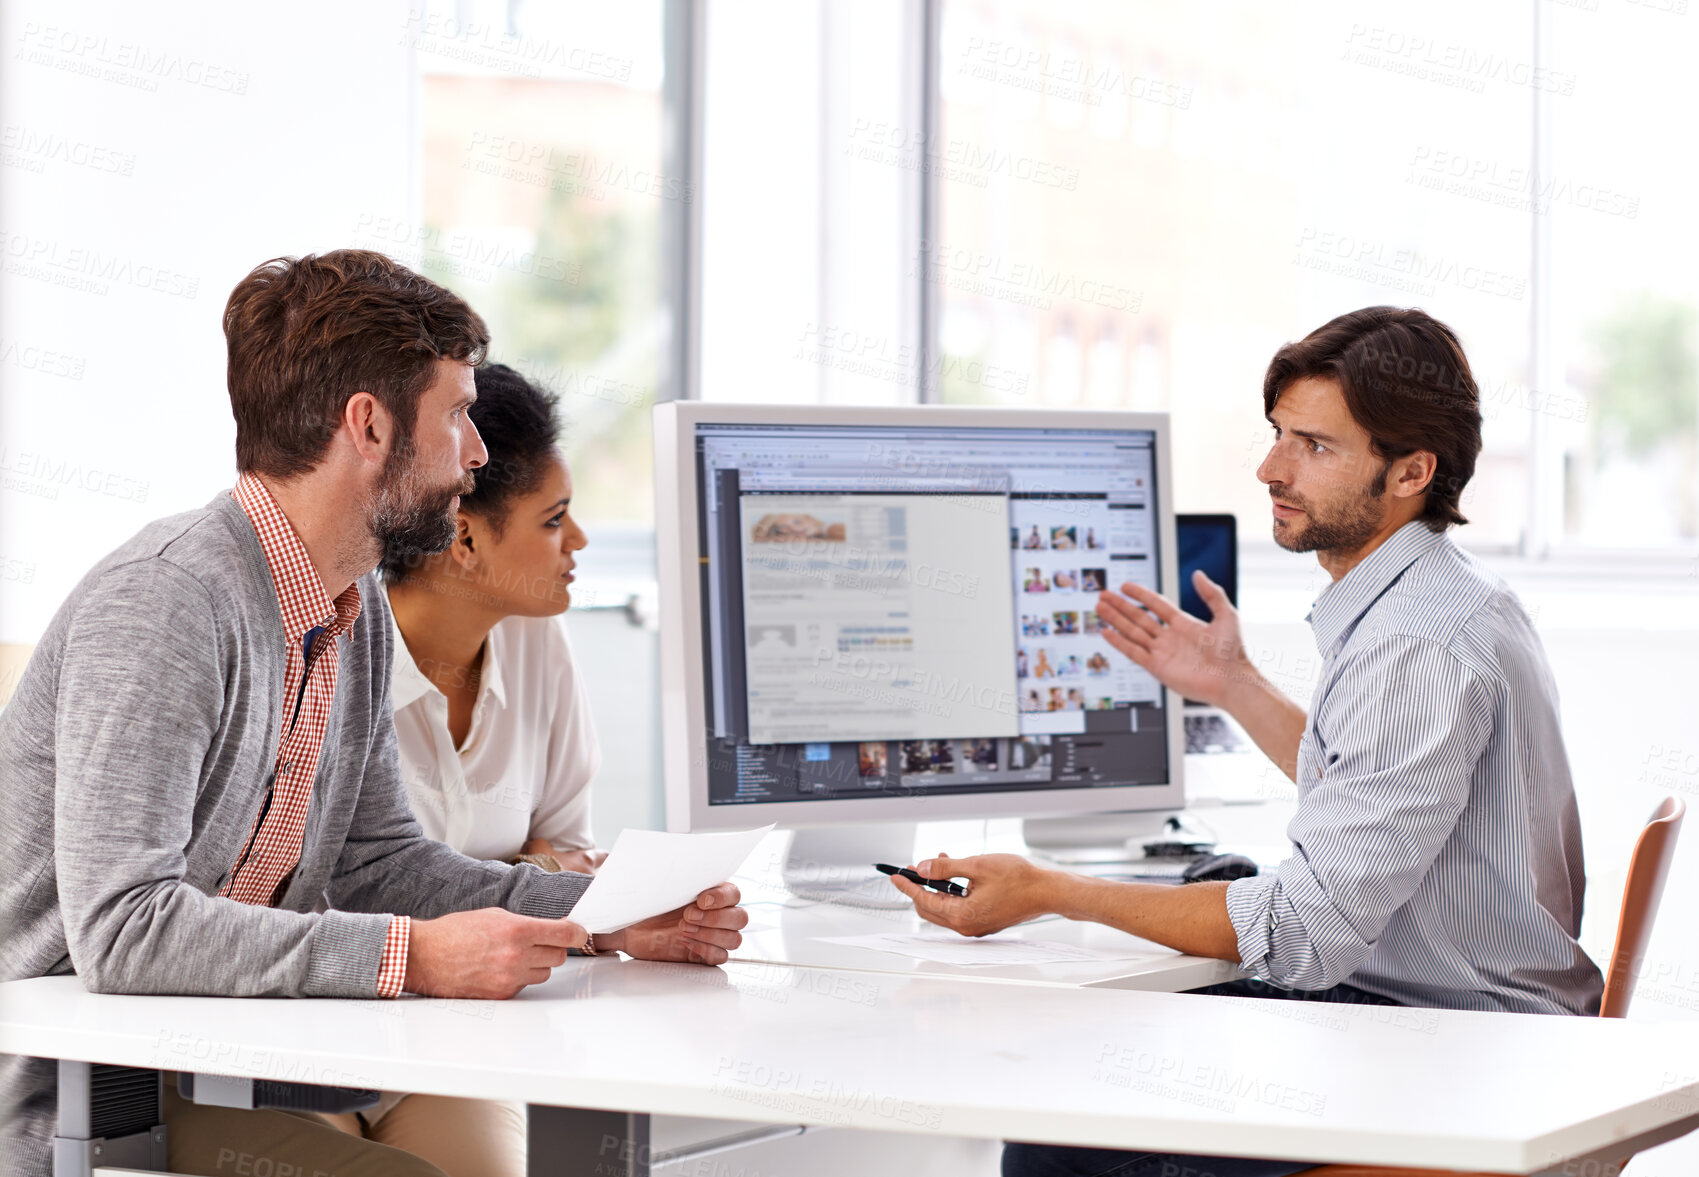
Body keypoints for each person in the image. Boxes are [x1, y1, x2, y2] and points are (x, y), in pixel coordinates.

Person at [0, 251, 746, 1177]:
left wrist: (605, 915)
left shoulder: (346, 608)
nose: (475, 453)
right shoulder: (166, 605)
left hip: (266, 1052)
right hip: (101, 1088)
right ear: (369, 425)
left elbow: (379, 862)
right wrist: (417, 956)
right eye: (457, 415)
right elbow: (124, 930)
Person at [886, 307, 1603, 1177]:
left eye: (1314, 446)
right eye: (1276, 435)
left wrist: (1053, 890)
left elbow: (1304, 932)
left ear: (1411, 469)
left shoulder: (1415, 640)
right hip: (1443, 1021)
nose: (1270, 469)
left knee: (1062, 1143)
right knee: (1128, 1047)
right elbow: (1369, 787)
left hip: (1456, 1058)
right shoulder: (1441, 596)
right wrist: (1233, 683)